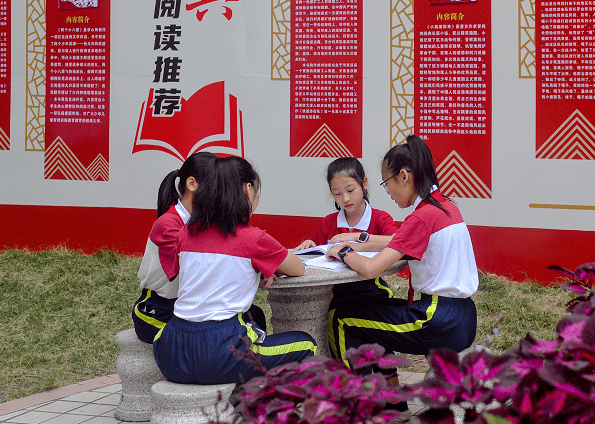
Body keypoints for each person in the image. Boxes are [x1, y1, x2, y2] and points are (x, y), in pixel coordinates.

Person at [326, 135, 479, 380]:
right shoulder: (446, 207)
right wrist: (357, 238)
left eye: (387, 183)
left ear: (404, 176)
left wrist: (344, 252)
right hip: (463, 318)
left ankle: (357, 405)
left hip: (435, 320)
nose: (388, 192)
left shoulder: (421, 217)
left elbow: (370, 269)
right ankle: (393, 399)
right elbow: (400, 241)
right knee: (373, 312)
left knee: (343, 317)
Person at [153, 156, 316, 384]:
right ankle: (273, 412)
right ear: (248, 189)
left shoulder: (186, 233)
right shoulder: (254, 238)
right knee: (306, 344)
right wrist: (265, 267)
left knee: (254, 318)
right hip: (218, 354)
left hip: (171, 352)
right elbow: (297, 268)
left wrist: (259, 269)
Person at [131, 152, 218, 344]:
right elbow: (202, 269)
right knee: (213, 342)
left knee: (252, 316)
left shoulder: (206, 222)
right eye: (216, 185)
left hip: (190, 308)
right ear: (192, 184)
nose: (222, 193)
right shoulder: (168, 224)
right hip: (158, 311)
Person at [294, 157, 399, 302]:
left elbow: (398, 241)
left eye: (350, 190)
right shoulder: (328, 222)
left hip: (372, 291)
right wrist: (309, 245)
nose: (345, 199)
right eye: (337, 193)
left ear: (364, 183)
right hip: (334, 296)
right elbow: (317, 255)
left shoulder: (380, 219)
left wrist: (356, 237)